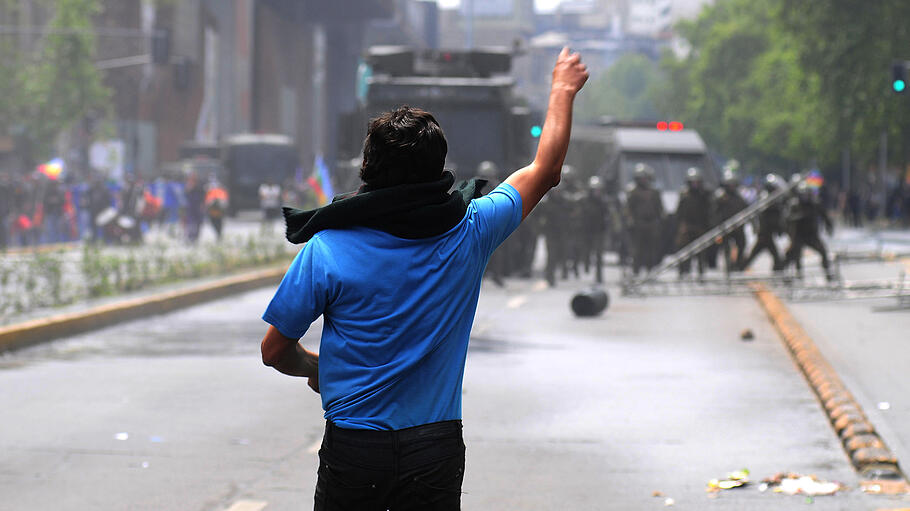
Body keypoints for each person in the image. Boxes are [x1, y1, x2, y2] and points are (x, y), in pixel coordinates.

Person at [259, 47, 588, 510]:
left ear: (368, 168)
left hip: (355, 451)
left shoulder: (327, 250)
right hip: (435, 449)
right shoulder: (472, 230)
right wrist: (561, 90)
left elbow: (274, 350)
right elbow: (545, 170)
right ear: (439, 171)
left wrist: (318, 368)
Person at [783, 181, 834, 280]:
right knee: (792, 255)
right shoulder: (795, 205)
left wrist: (829, 226)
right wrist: (798, 218)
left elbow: (824, 215)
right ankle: (786, 274)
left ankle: (828, 273)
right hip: (799, 235)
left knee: (823, 252)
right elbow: (787, 219)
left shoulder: (814, 204)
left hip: (812, 235)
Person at [739, 173, 786, 272]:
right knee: (773, 256)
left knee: (775, 256)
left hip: (769, 233)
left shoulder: (775, 199)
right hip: (764, 233)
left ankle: (778, 272)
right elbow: (763, 217)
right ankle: (738, 269)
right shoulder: (765, 198)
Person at [624, 163, 664, 275]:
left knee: (651, 250)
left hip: (651, 224)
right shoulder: (633, 192)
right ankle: (636, 271)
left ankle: (650, 271)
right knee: (637, 250)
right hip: (638, 225)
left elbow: (659, 208)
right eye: (641, 178)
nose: (643, 180)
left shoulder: (654, 192)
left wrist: (660, 220)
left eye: (644, 178)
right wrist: (630, 220)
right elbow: (628, 208)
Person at [674, 167, 713, 279]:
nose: (695, 184)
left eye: (697, 182)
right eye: (693, 182)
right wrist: (680, 226)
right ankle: (682, 272)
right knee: (683, 250)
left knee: (701, 251)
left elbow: (709, 210)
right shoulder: (684, 194)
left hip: (700, 226)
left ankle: (701, 272)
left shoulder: (704, 194)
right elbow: (679, 211)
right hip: (687, 225)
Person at [713, 168, 748, 272]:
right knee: (726, 248)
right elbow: (715, 213)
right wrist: (718, 226)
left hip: (737, 227)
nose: (732, 186)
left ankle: (737, 264)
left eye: (733, 184)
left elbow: (746, 210)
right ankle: (729, 266)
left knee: (742, 244)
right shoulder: (721, 197)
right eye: (730, 184)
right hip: (725, 227)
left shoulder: (739, 197)